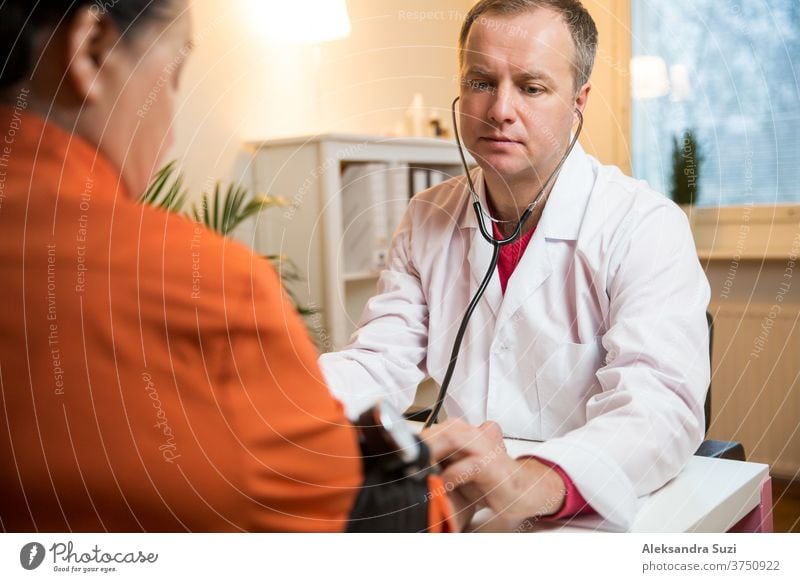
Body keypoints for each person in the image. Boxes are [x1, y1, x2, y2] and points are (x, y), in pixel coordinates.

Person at [0, 0, 459, 532]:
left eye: (532, 87)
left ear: (579, 101)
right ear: (92, 49)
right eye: (173, 75)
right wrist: (415, 469)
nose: (170, 134)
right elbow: (361, 518)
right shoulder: (203, 284)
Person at [321, 0, 711, 529]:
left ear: (579, 101)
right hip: (463, 502)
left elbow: (658, 404)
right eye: (481, 81)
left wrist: (535, 479)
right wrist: (280, 402)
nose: (500, 109)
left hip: (586, 507)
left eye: (531, 87)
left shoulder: (644, 224)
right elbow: (377, 361)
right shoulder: (427, 216)